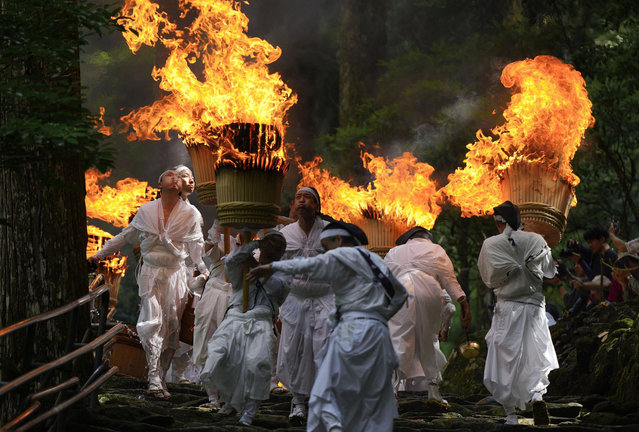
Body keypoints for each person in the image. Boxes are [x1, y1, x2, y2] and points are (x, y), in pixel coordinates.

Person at [248, 221, 408, 432]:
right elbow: (401, 294)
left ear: (339, 240)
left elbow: (305, 266)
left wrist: (271, 266)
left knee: (325, 390)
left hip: (352, 331)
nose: (324, 250)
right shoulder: (375, 260)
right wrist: (379, 317)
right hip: (378, 334)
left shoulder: (342, 255)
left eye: (326, 245)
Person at [88, 169, 208, 399]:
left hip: (176, 277)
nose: (174, 177)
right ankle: (152, 375)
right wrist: (100, 255)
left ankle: (161, 376)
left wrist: (204, 274)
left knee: (172, 328)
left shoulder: (190, 214)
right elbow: (125, 236)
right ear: (159, 183)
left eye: (178, 176)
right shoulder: (147, 211)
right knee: (153, 321)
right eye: (169, 174)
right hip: (151, 272)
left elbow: (196, 252)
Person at [477, 201, 558, 426]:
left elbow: (488, 277)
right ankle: (537, 396)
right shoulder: (536, 240)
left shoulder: (490, 244)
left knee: (504, 358)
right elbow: (550, 272)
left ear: (497, 221)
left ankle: (511, 415)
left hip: (507, 308)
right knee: (534, 353)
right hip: (533, 308)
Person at [200, 231, 288, 426]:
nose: (273, 249)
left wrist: (258, 268)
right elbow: (230, 261)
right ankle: (229, 402)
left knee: (257, 364)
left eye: (277, 246)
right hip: (235, 317)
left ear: (282, 252)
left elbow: (277, 290)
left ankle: (249, 412)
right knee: (219, 356)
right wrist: (251, 246)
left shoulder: (284, 273)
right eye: (269, 244)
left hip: (261, 321)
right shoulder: (246, 263)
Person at [384, 226, 472, 401]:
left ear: (410, 239)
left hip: (401, 293)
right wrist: (464, 304)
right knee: (429, 340)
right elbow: (449, 280)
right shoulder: (435, 249)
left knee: (398, 340)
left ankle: (392, 391)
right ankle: (433, 392)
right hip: (430, 292)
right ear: (426, 238)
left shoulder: (394, 252)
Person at [276, 186, 333, 423]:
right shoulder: (285, 233)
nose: (301, 201)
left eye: (307, 197)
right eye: (298, 197)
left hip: (325, 298)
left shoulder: (330, 231)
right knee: (294, 350)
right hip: (295, 300)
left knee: (324, 348)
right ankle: (298, 402)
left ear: (317, 205)